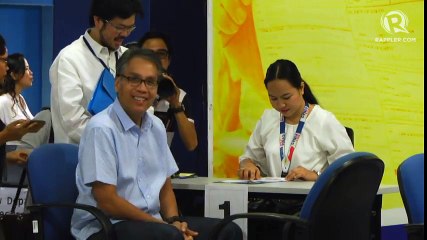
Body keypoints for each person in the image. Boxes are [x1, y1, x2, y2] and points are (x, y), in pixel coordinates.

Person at [71, 49, 242, 240]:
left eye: (150, 82)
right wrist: (163, 226)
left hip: (153, 223)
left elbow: (164, 186)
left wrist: (174, 220)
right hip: (106, 226)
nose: (143, 89)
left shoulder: (156, 127)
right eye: (134, 79)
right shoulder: (101, 128)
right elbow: (107, 201)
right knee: (169, 237)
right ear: (117, 83)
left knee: (228, 231)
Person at [238, 59, 355, 181]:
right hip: (273, 196)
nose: (281, 105)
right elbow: (250, 157)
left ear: (301, 88)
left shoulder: (323, 121)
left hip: (313, 197)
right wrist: (247, 164)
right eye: (273, 98)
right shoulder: (268, 119)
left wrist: (316, 175)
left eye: (286, 97)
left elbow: (349, 167)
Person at [49, 0, 143, 144]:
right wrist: (118, 141)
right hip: (82, 157)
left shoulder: (128, 57)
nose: (125, 34)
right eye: (119, 27)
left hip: (127, 156)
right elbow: (73, 122)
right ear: (98, 20)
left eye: (130, 28)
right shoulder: (69, 59)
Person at [138, 31, 198, 151]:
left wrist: (176, 105)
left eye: (161, 54)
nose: (155, 60)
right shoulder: (130, 91)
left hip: (160, 165)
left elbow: (192, 144)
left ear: (169, 59)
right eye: (149, 54)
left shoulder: (178, 95)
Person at [0, 34, 42, 170]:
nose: (31, 73)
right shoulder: (3, 101)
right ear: (15, 74)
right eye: (27, 69)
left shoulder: (20, 99)